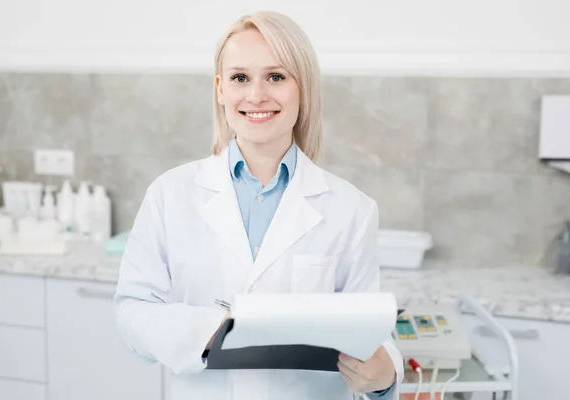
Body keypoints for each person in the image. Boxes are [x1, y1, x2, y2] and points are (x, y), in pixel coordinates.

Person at [114, 10, 403, 400]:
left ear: (304, 88)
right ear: (220, 89)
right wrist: (209, 331)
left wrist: (384, 379)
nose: (256, 95)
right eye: (239, 78)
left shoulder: (352, 209)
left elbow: (370, 333)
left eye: (276, 77)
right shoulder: (170, 194)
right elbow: (133, 313)